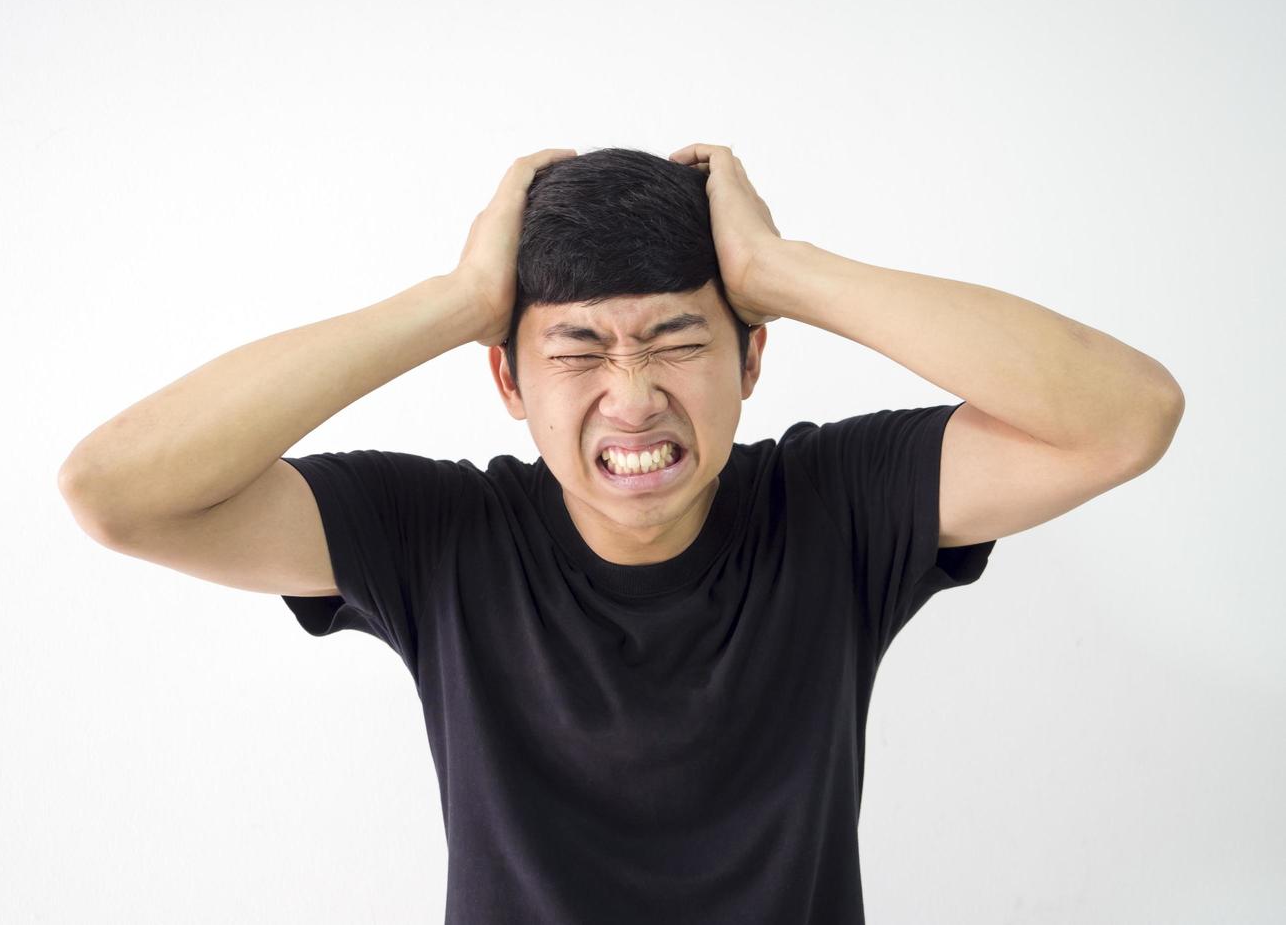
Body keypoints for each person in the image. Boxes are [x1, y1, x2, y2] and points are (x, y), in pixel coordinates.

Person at [57, 144, 1184, 924]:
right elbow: (116, 490)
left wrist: (782, 272)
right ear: (505, 375)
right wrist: (454, 299)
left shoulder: (835, 502)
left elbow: (1125, 417)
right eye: (579, 349)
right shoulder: (441, 536)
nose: (632, 395)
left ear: (751, 358)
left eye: (678, 339)